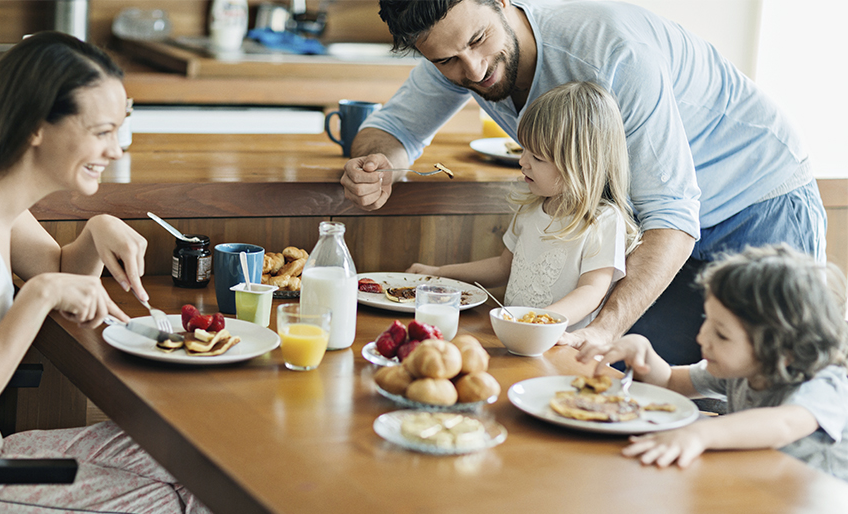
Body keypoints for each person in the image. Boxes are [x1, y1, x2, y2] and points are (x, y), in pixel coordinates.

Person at [340, 0, 826, 366]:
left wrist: (607, 327)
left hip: (758, 201)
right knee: (630, 384)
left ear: (503, 2)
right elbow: (394, 130)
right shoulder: (454, 53)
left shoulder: (612, 54)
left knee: (771, 387)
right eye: (446, 61)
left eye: (478, 41)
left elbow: (673, 215)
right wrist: (374, 164)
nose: (473, 70)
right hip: (650, 230)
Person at [0, 32, 211, 513]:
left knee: (206, 456)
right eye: (101, 131)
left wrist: (95, 232)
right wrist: (38, 295)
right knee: (176, 498)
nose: (115, 150)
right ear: (34, 126)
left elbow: (60, 269)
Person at [578, 245, 848, 479]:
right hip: (762, 481)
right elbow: (671, 382)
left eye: (722, 334)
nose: (702, 337)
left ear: (782, 350)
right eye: (708, 320)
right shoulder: (740, 368)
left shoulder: (824, 383)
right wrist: (644, 353)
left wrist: (700, 434)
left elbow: (783, 425)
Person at [407, 81, 639, 330]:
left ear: (581, 166)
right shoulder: (530, 207)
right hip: (515, 335)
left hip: (561, 348)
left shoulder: (603, 221)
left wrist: (537, 321)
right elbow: (501, 266)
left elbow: (592, 291)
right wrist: (440, 272)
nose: (522, 161)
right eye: (523, 149)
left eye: (537, 157)